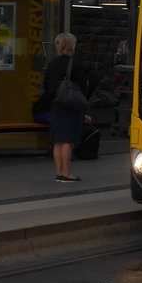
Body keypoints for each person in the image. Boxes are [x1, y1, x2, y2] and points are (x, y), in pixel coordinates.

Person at [41, 32, 97, 183]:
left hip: (56, 104)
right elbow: (85, 85)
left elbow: (46, 85)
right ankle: (66, 173)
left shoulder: (52, 64)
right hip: (71, 105)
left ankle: (59, 172)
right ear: (72, 46)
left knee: (58, 141)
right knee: (67, 140)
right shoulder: (76, 64)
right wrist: (85, 109)